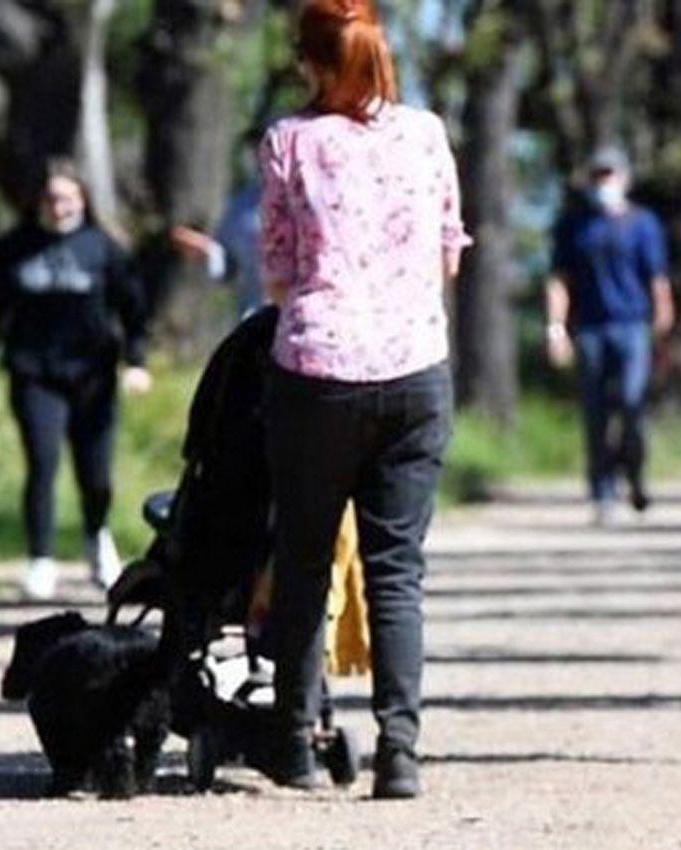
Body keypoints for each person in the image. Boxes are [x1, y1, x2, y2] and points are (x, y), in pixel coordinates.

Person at [257, 0, 469, 798]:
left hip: (317, 372)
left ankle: (296, 743)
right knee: (396, 570)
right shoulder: (427, 135)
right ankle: (401, 752)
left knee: (305, 561)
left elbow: (277, 274)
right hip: (416, 370)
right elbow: (449, 255)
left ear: (313, 62)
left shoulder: (290, 141)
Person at [0, 159, 151, 601]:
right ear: (38, 202)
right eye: (50, 198)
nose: (58, 206)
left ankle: (97, 537)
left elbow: (133, 308)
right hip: (34, 371)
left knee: (96, 473)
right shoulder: (16, 247)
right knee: (42, 463)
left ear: (82, 200)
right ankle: (40, 559)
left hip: (93, 375)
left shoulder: (104, 247)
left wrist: (136, 361)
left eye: (66, 198)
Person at [545, 146, 676, 526]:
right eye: (598, 176)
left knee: (632, 406)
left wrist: (662, 332)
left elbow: (658, 282)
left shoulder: (643, 224)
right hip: (590, 328)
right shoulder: (575, 225)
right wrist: (556, 329)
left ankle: (634, 472)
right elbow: (559, 281)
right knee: (596, 412)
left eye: (610, 175)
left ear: (624, 179)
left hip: (633, 327)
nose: (604, 183)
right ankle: (602, 491)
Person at [169, 130, 266, 320]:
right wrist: (207, 250)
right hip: (257, 318)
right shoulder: (241, 204)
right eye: (257, 147)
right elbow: (231, 267)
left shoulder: (318, 198)